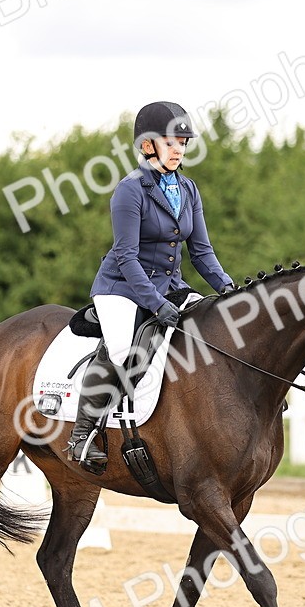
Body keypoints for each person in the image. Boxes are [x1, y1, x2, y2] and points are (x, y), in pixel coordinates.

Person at [67, 101, 235, 471]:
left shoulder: (188, 190)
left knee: (218, 327)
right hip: (121, 288)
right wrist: (156, 303)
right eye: (171, 142)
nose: (179, 150)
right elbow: (126, 257)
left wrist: (228, 290)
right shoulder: (130, 191)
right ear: (147, 146)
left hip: (170, 285)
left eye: (183, 143)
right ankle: (83, 434)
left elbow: (202, 251)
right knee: (123, 349)